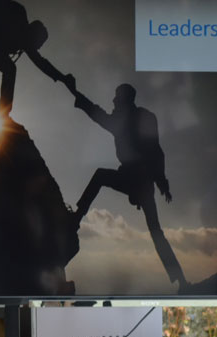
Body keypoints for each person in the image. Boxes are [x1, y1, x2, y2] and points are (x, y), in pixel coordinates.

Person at [64, 80, 187, 288]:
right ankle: (181, 281)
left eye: (116, 97)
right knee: (156, 232)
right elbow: (157, 152)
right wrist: (162, 182)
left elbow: (97, 114)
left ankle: (77, 216)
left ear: (124, 100)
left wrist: (76, 93)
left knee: (101, 176)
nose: (113, 100)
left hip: (137, 180)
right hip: (144, 183)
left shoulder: (124, 121)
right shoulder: (143, 118)